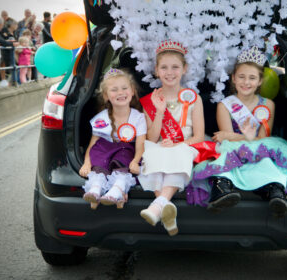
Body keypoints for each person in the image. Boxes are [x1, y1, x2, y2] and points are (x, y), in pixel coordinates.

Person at [186, 46, 287, 217]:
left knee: (266, 158)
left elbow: (262, 138)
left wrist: (241, 137)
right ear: (233, 78)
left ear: (260, 81)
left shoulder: (268, 105)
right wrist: (242, 137)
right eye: (241, 77)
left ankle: (274, 190)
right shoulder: (224, 105)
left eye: (252, 78)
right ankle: (223, 189)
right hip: (233, 148)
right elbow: (226, 139)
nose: (246, 82)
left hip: (257, 145)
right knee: (225, 155)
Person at [138, 40, 205, 236]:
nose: (170, 72)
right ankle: (165, 209)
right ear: (156, 70)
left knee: (179, 154)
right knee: (151, 156)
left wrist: (177, 144)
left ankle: (158, 205)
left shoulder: (194, 98)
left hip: (187, 145)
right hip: (159, 144)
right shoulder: (150, 100)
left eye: (175, 67)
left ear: (184, 69)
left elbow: (199, 136)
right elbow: (151, 137)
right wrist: (159, 112)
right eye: (164, 67)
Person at [80, 68, 146, 210]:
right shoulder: (102, 118)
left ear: (132, 91)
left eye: (124, 88)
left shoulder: (139, 117)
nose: (120, 93)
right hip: (104, 153)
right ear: (106, 96)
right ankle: (95, 189)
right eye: (114, 90)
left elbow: (140, 146)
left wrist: (135, 161)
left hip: (126, 154)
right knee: (99, 157)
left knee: (124, 155)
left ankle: (117, 190)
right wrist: (86, 163)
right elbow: (92, 146)